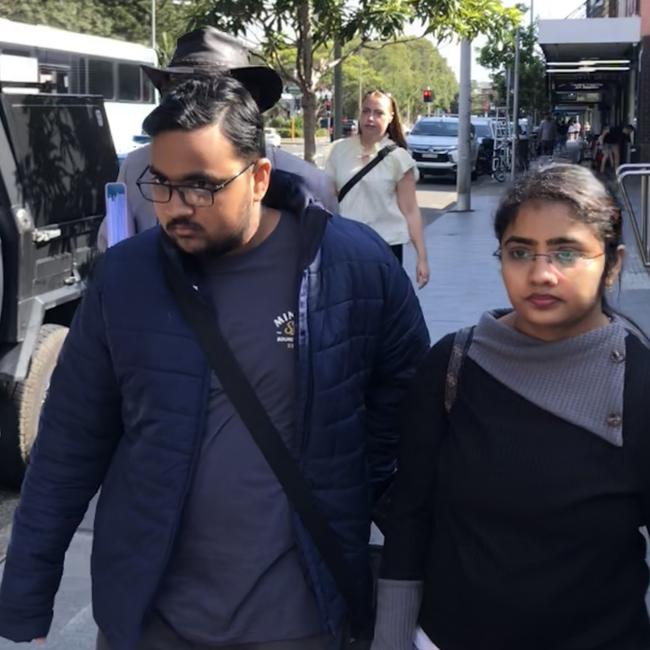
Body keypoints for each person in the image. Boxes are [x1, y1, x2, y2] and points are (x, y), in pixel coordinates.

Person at [0, 76, 430, 650]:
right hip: (150, 617)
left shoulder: (355, 268)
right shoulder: (125, 280)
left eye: (202, 187)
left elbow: (410, 421)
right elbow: (69, 443)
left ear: (258, 177)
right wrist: (24, 594)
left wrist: (351, 480)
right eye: (164, 184)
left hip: (302, 620)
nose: (177, 208)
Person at [371, 164, 650, 650]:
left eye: (567, 252)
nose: (541, 273)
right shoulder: (454, 365)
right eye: (520, 252)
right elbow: (410, 519)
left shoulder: (638, 380)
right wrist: (391, 639)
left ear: (614, 262)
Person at [97, 27, 338, 251]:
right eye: (181, 92)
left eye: (211, 95)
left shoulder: (309, 184)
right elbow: (114, 251)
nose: (193, 107)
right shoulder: (136, 169)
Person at [324, 90, 429, 288]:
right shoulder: (339, 151)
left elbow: (411, 211)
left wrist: (421, 258)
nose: (370, 118)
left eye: (378, 113)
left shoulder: (399, 158)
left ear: (390, 117)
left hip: (385, 247)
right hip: (345, 246)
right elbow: (329, 198)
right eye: (366, 111)